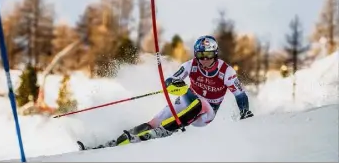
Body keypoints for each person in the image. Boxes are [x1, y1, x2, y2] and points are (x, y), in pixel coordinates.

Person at [102, 35, 254, 148]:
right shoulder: (191, 65)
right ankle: (122, 137)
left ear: (215, 54)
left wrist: (245, 111)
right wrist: (174, 83)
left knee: (200, 103)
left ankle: (167, 130)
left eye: (208, 55)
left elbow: (239, 93)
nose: (205, 60)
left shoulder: (225, 71)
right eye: (201, 55)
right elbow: (171, 80)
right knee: (157, 120)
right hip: (188, 98)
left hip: (207, 112)